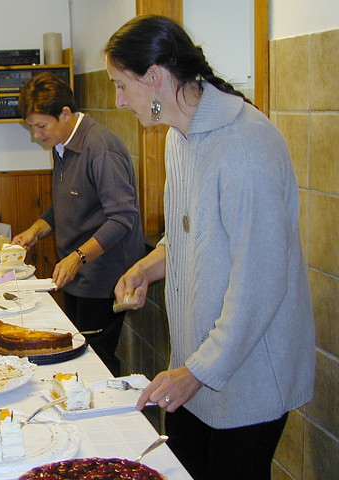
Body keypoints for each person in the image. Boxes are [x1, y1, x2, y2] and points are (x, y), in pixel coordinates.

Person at [106, 15, 314, 480]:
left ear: (155, 77)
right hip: (197, 366)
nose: (119, 100)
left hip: (249, 371)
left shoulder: (243, 145)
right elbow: (188, 236)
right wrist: (145, 268)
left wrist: (196, 371)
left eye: (122, 85)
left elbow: (260, 281)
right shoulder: (180, 138)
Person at [12, 71, 144, 376]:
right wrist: (36, 230)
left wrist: (78, 257)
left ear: (66, 114)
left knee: (95, 361)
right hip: (76, 273)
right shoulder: (62, 145)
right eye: (32, 128)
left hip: (103, 277)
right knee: (78, 356)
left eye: (41, 127)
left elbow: (123, 217)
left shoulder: (101, 148)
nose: (37, 136)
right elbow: (68, 203)